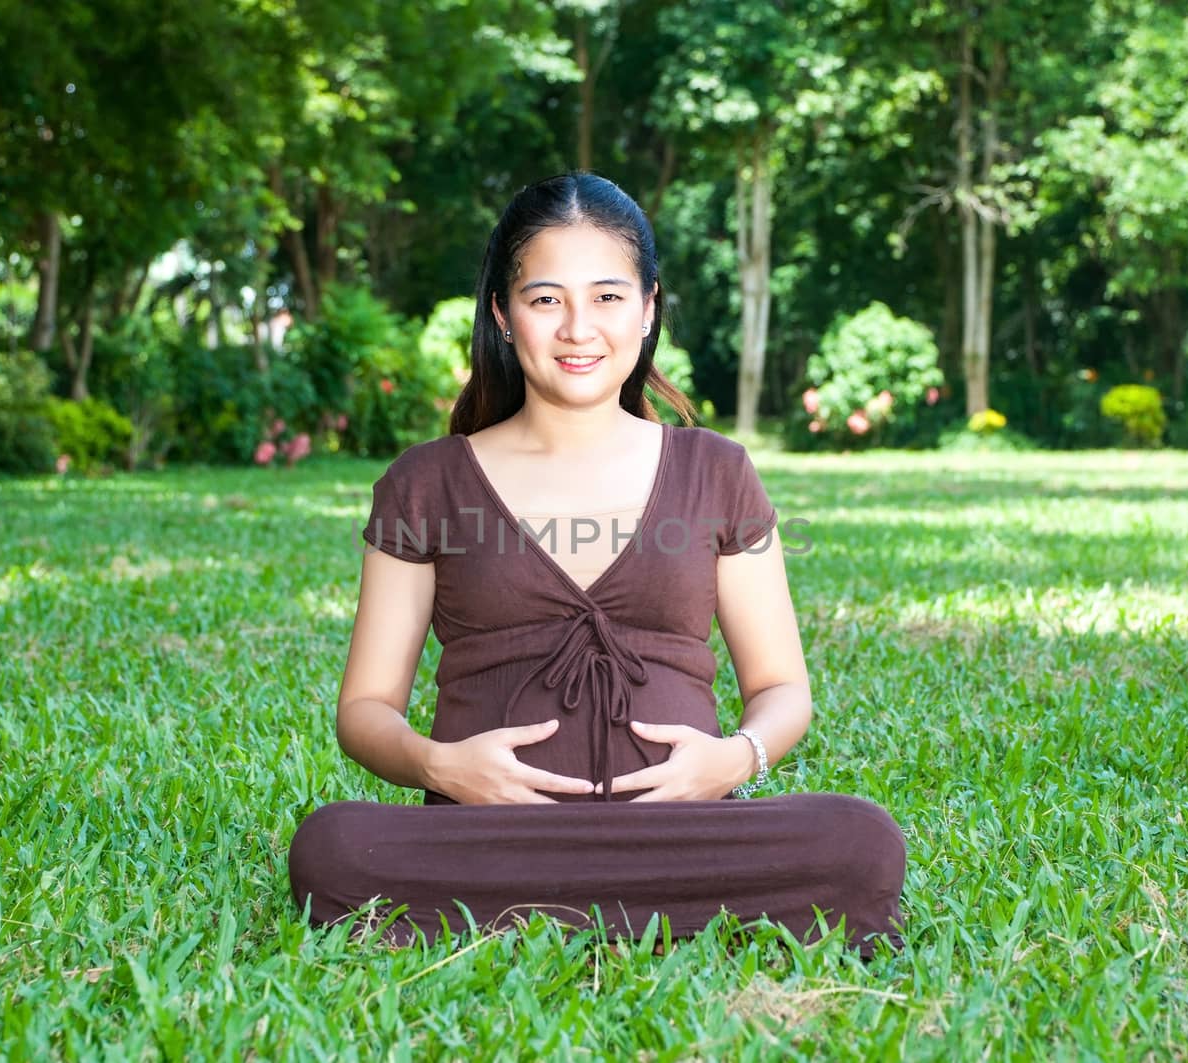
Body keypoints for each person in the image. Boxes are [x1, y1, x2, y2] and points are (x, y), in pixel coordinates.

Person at [288, 172, 905, 953]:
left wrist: (731, 759)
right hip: (492, 841)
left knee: (861, 838)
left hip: (682, 835)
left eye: (608, 297)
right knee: (331, 845)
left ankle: (544, 914)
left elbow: (782, 689)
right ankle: (647, 915)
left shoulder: (718, 470)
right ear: (504, 317)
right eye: (546, 299)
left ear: (648, 310)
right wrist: (442, 767)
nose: (579, 328)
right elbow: (366, 709)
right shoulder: (426, 481)